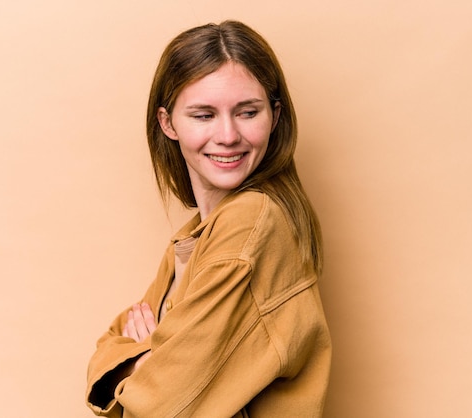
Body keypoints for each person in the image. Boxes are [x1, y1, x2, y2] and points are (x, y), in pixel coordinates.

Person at [86, 20, 332, 417]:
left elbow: (160, 405)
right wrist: (145, 363)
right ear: (168, 124)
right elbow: (108, 347)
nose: (229, 135)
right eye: (203, 115)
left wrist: (141, 360)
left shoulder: (251, 224)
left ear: (274, 114)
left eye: (247, 112)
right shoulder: (192, 239)